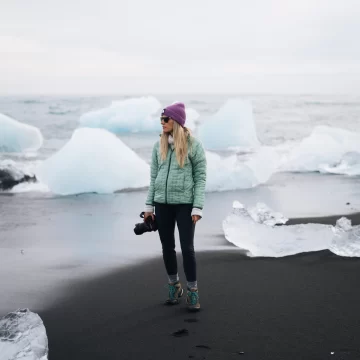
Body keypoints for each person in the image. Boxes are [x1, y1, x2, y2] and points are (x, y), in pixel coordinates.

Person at [144, 102, 207, 311]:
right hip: (162, 204)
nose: (162, 123)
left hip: (186, 205)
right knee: (167, 247)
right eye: (161, 119)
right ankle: (174, 285)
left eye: (166, 119)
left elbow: (200, 178)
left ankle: (193, 291)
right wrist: (149, 207)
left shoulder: (193, 145)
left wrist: (197, 207)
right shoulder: (158, 146)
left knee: (187, 248)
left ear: (176, 122)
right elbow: (153, 178)